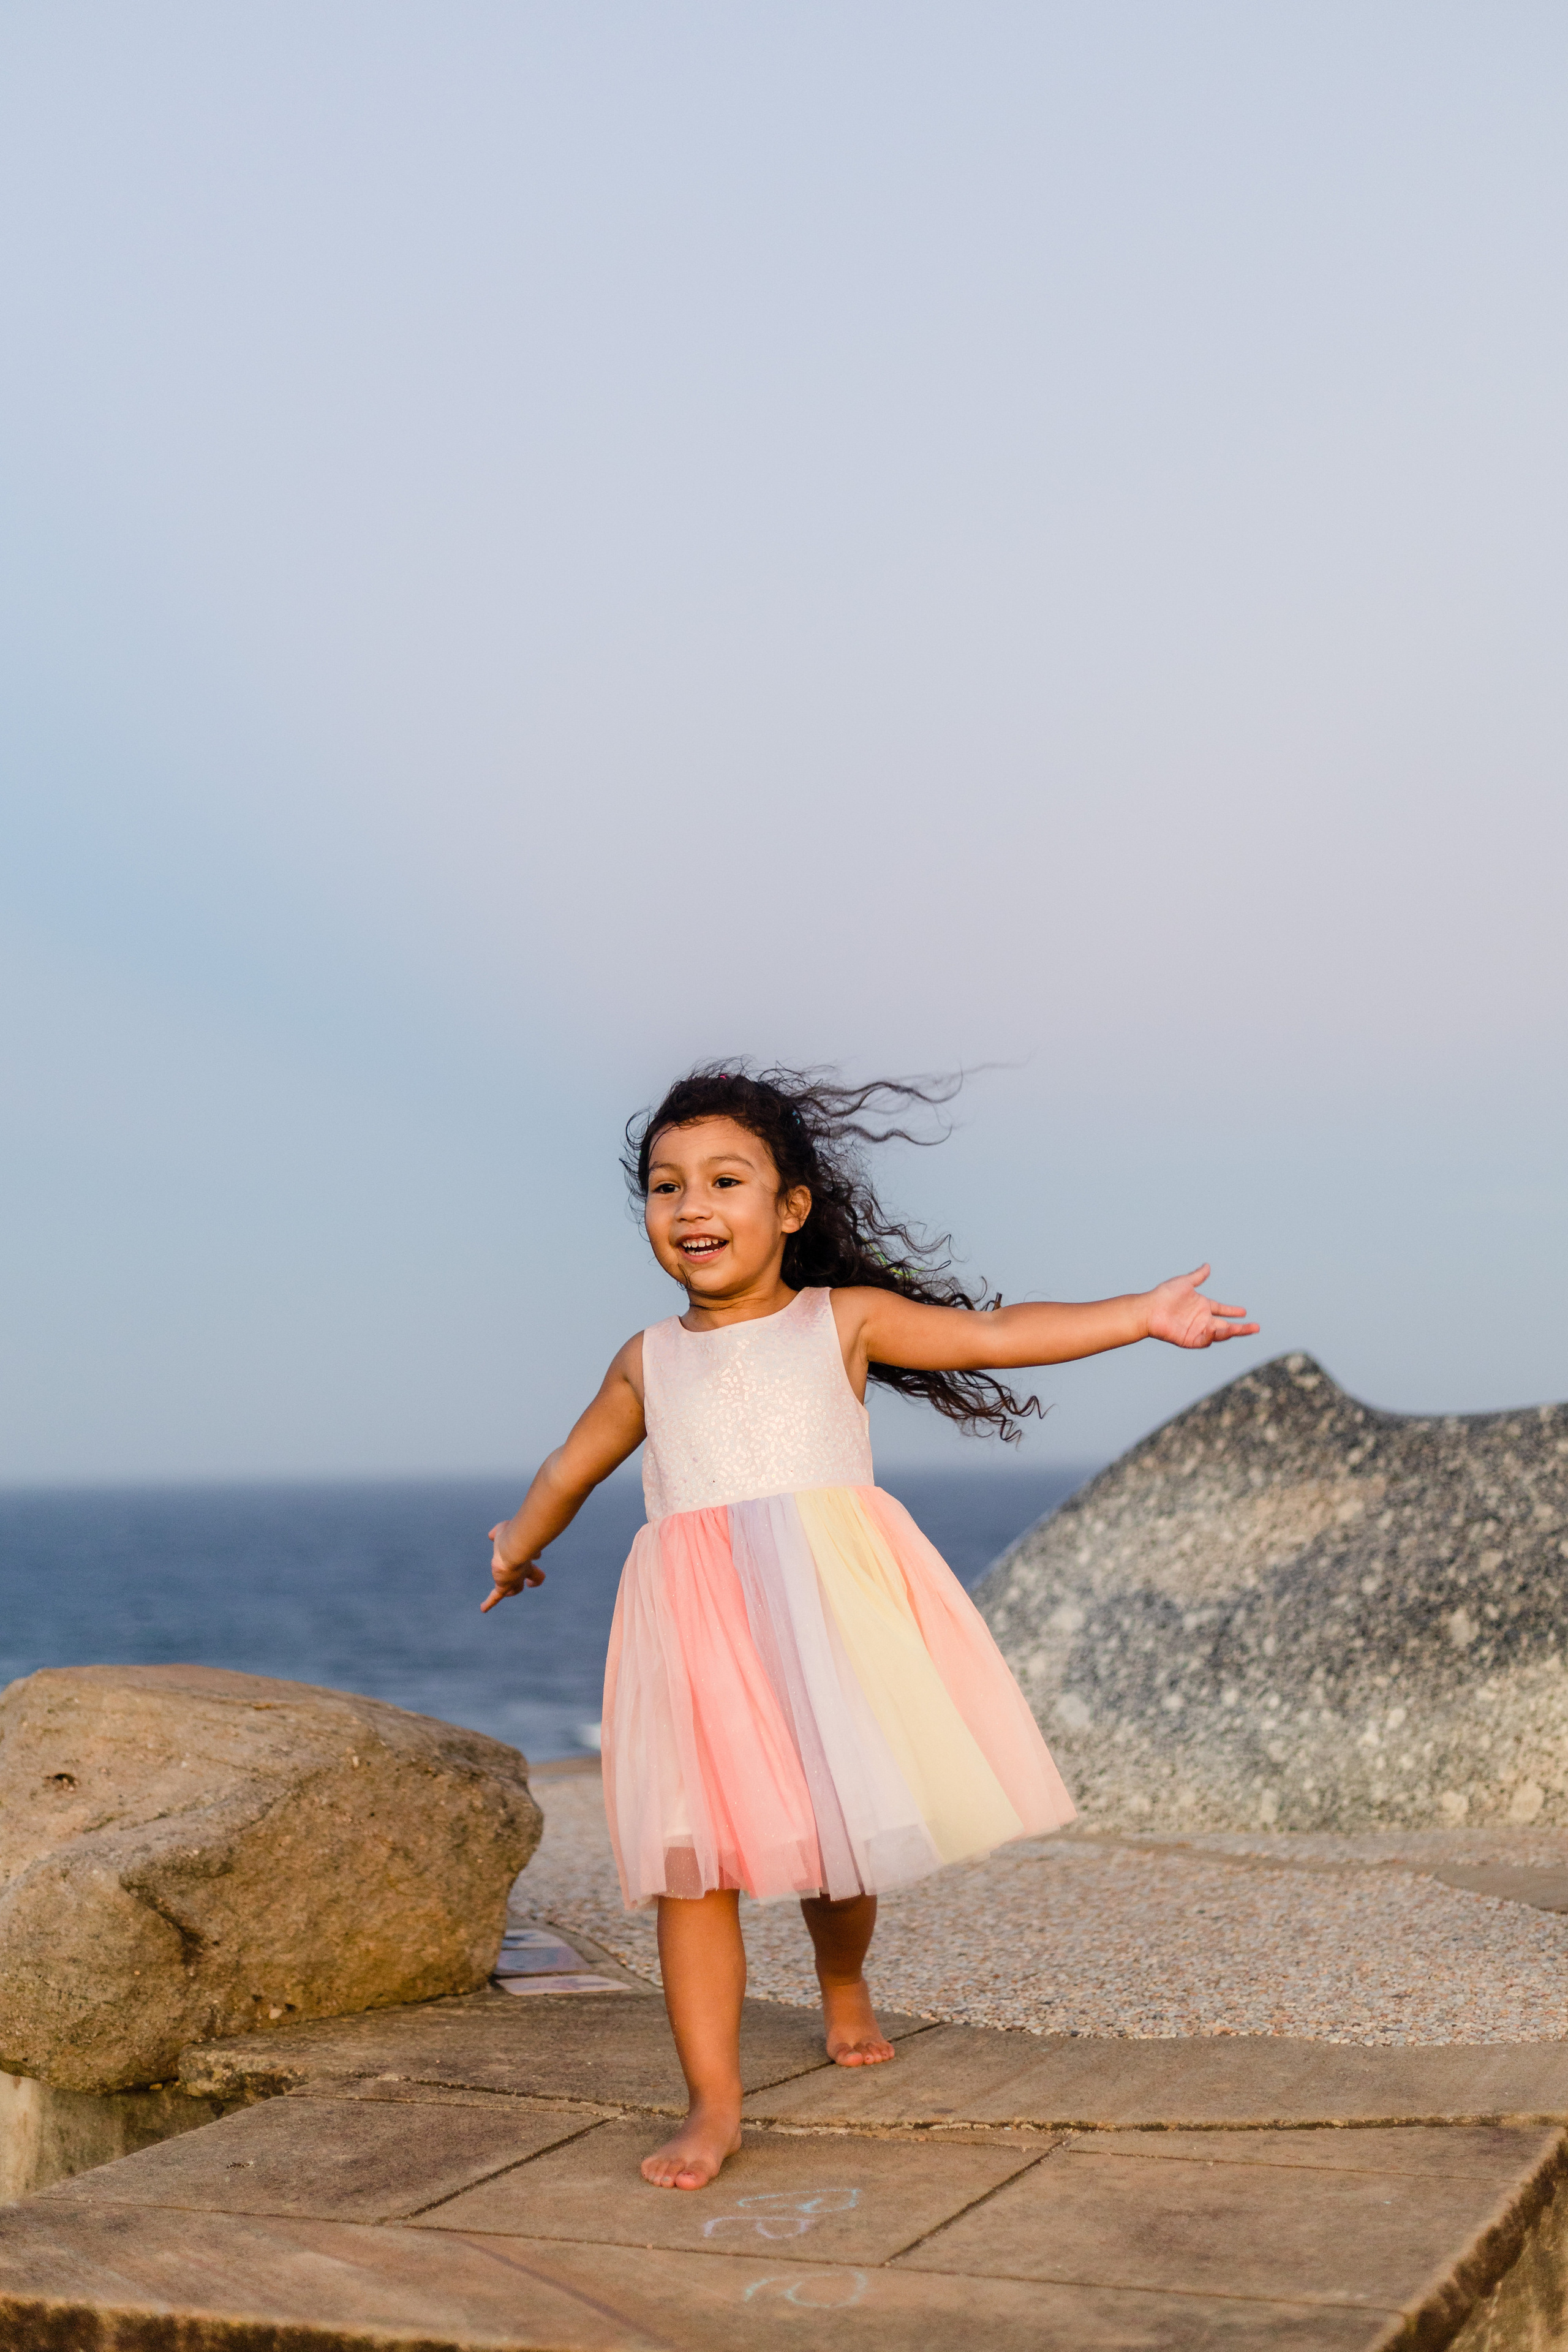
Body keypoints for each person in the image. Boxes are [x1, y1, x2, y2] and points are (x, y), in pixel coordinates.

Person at [483, 1064, 1257, 2190]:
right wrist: (519, 1541)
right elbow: (574, 1464)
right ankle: (714, 2101)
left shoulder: (840, 1322)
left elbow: (993, 1338)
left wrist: (1139, 1316)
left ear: (790, 1208)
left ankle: (842, 1981)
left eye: (725, 1181)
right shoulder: (648, 1360)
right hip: (699, 1631)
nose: (693, 1207)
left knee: (836, 1845)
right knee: (695, 1870)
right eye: (666, 1187)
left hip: (830, 1615)